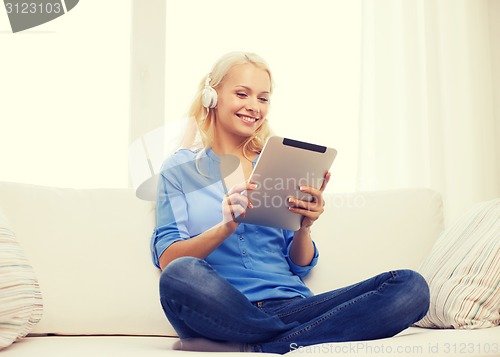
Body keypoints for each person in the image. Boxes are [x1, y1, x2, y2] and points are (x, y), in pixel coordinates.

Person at [150, 51, 430, 354]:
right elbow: (169, 259)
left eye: (263, 98)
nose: (253, 107)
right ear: (211, 96)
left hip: (291, 306)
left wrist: (303, 227)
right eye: (242, 94)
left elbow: (298, 264)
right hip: (221, 309)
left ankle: (256, 345)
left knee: (410, 287)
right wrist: (225, 227)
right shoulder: (180, 169)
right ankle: (290, 340)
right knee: (180, 276)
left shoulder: (277, 164)